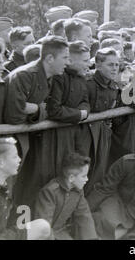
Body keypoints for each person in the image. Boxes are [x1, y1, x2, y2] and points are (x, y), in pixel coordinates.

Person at [4, 36, 70, 209]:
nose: (67, 62)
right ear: (49, 58)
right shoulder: (25, 75)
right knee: (11, 189)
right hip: (10, 141)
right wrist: (38, 108)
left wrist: (33, 108)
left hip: (27, 138)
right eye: (64, 57)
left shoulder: (49, 76)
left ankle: (22, 229)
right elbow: (14, 114)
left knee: (25, 187)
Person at [46, 41, 91, 175]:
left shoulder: (81, 77)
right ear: (70, 60)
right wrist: (79, 114)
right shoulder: (59, 77)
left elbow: (85, 101)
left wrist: (83, 112)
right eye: (85, 61)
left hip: (75, 130)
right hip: (56, 134)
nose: (89, 64)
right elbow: (54, 109)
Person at [34, 153, 97, 240]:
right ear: (71, 178)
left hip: (61, 234)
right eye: (83, 176)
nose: (87, 179)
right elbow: (43, 226)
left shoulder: (78, 191)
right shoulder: (50, 192)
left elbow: (84, 218)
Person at [84, 47, 120, 194]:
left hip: (103, 132)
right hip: (85, 134)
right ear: (98, 65)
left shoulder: (114, 85)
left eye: (117, 65)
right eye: (110, 65)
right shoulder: (87, 83)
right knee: (85, 169)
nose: (115, 68)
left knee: (99, 169)